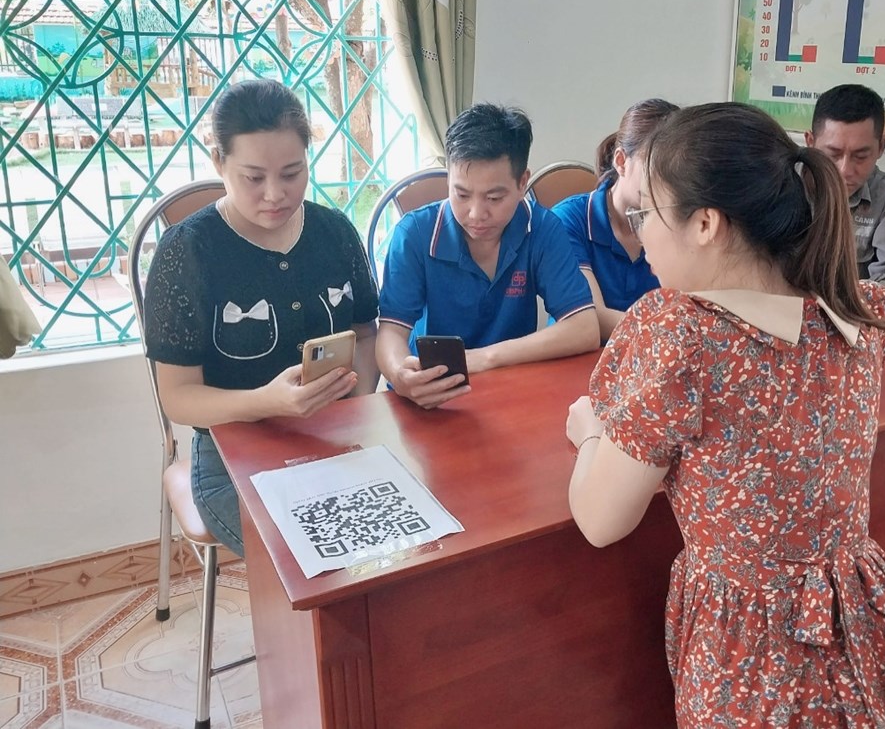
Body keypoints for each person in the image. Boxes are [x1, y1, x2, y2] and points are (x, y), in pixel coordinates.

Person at [565, 102, 885, 727]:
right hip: (863, 621)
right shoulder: (858, 309)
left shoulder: (681, 335)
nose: (641, 237)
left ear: (705, 223)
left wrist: (591, 432)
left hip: (751, 658)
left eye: (647, 214)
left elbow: (598, 521)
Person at [142, 79, 380, 557]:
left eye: (292, 173)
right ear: (218, 162)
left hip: (338, 434)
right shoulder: (187, 251)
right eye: (253, 178)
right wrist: (265, 402)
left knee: (399, 539)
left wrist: (356, 405)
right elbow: (179, 398)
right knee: (317, 556)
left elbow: (365, 332)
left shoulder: (334, 232)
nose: (275, 194)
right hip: (234, 455)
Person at [377, 103, 599, 409]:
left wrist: (484, 358)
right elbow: (391, 331)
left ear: (522, 183)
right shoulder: (415, 234)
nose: (476, 214)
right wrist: (399, 374)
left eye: (494, 198)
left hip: (513, 390)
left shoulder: (541, 228)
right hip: (433, 397)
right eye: (461, 194)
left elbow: (584, 328)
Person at [552, 98, 677, 341]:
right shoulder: (569, 219)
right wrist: (672, 335)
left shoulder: (675, 221)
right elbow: (590, 318)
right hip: (580, 356)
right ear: (621, 161)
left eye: (676, 173)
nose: (669, 185)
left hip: (652, 357)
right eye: (657, 169)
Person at [805, 83, 885, 316]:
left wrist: (847, 305)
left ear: (881, 147)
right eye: (832, 154)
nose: (844, 170)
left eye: (860, 156)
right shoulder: (784, 184)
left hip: (850, 319)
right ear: (810, 142)